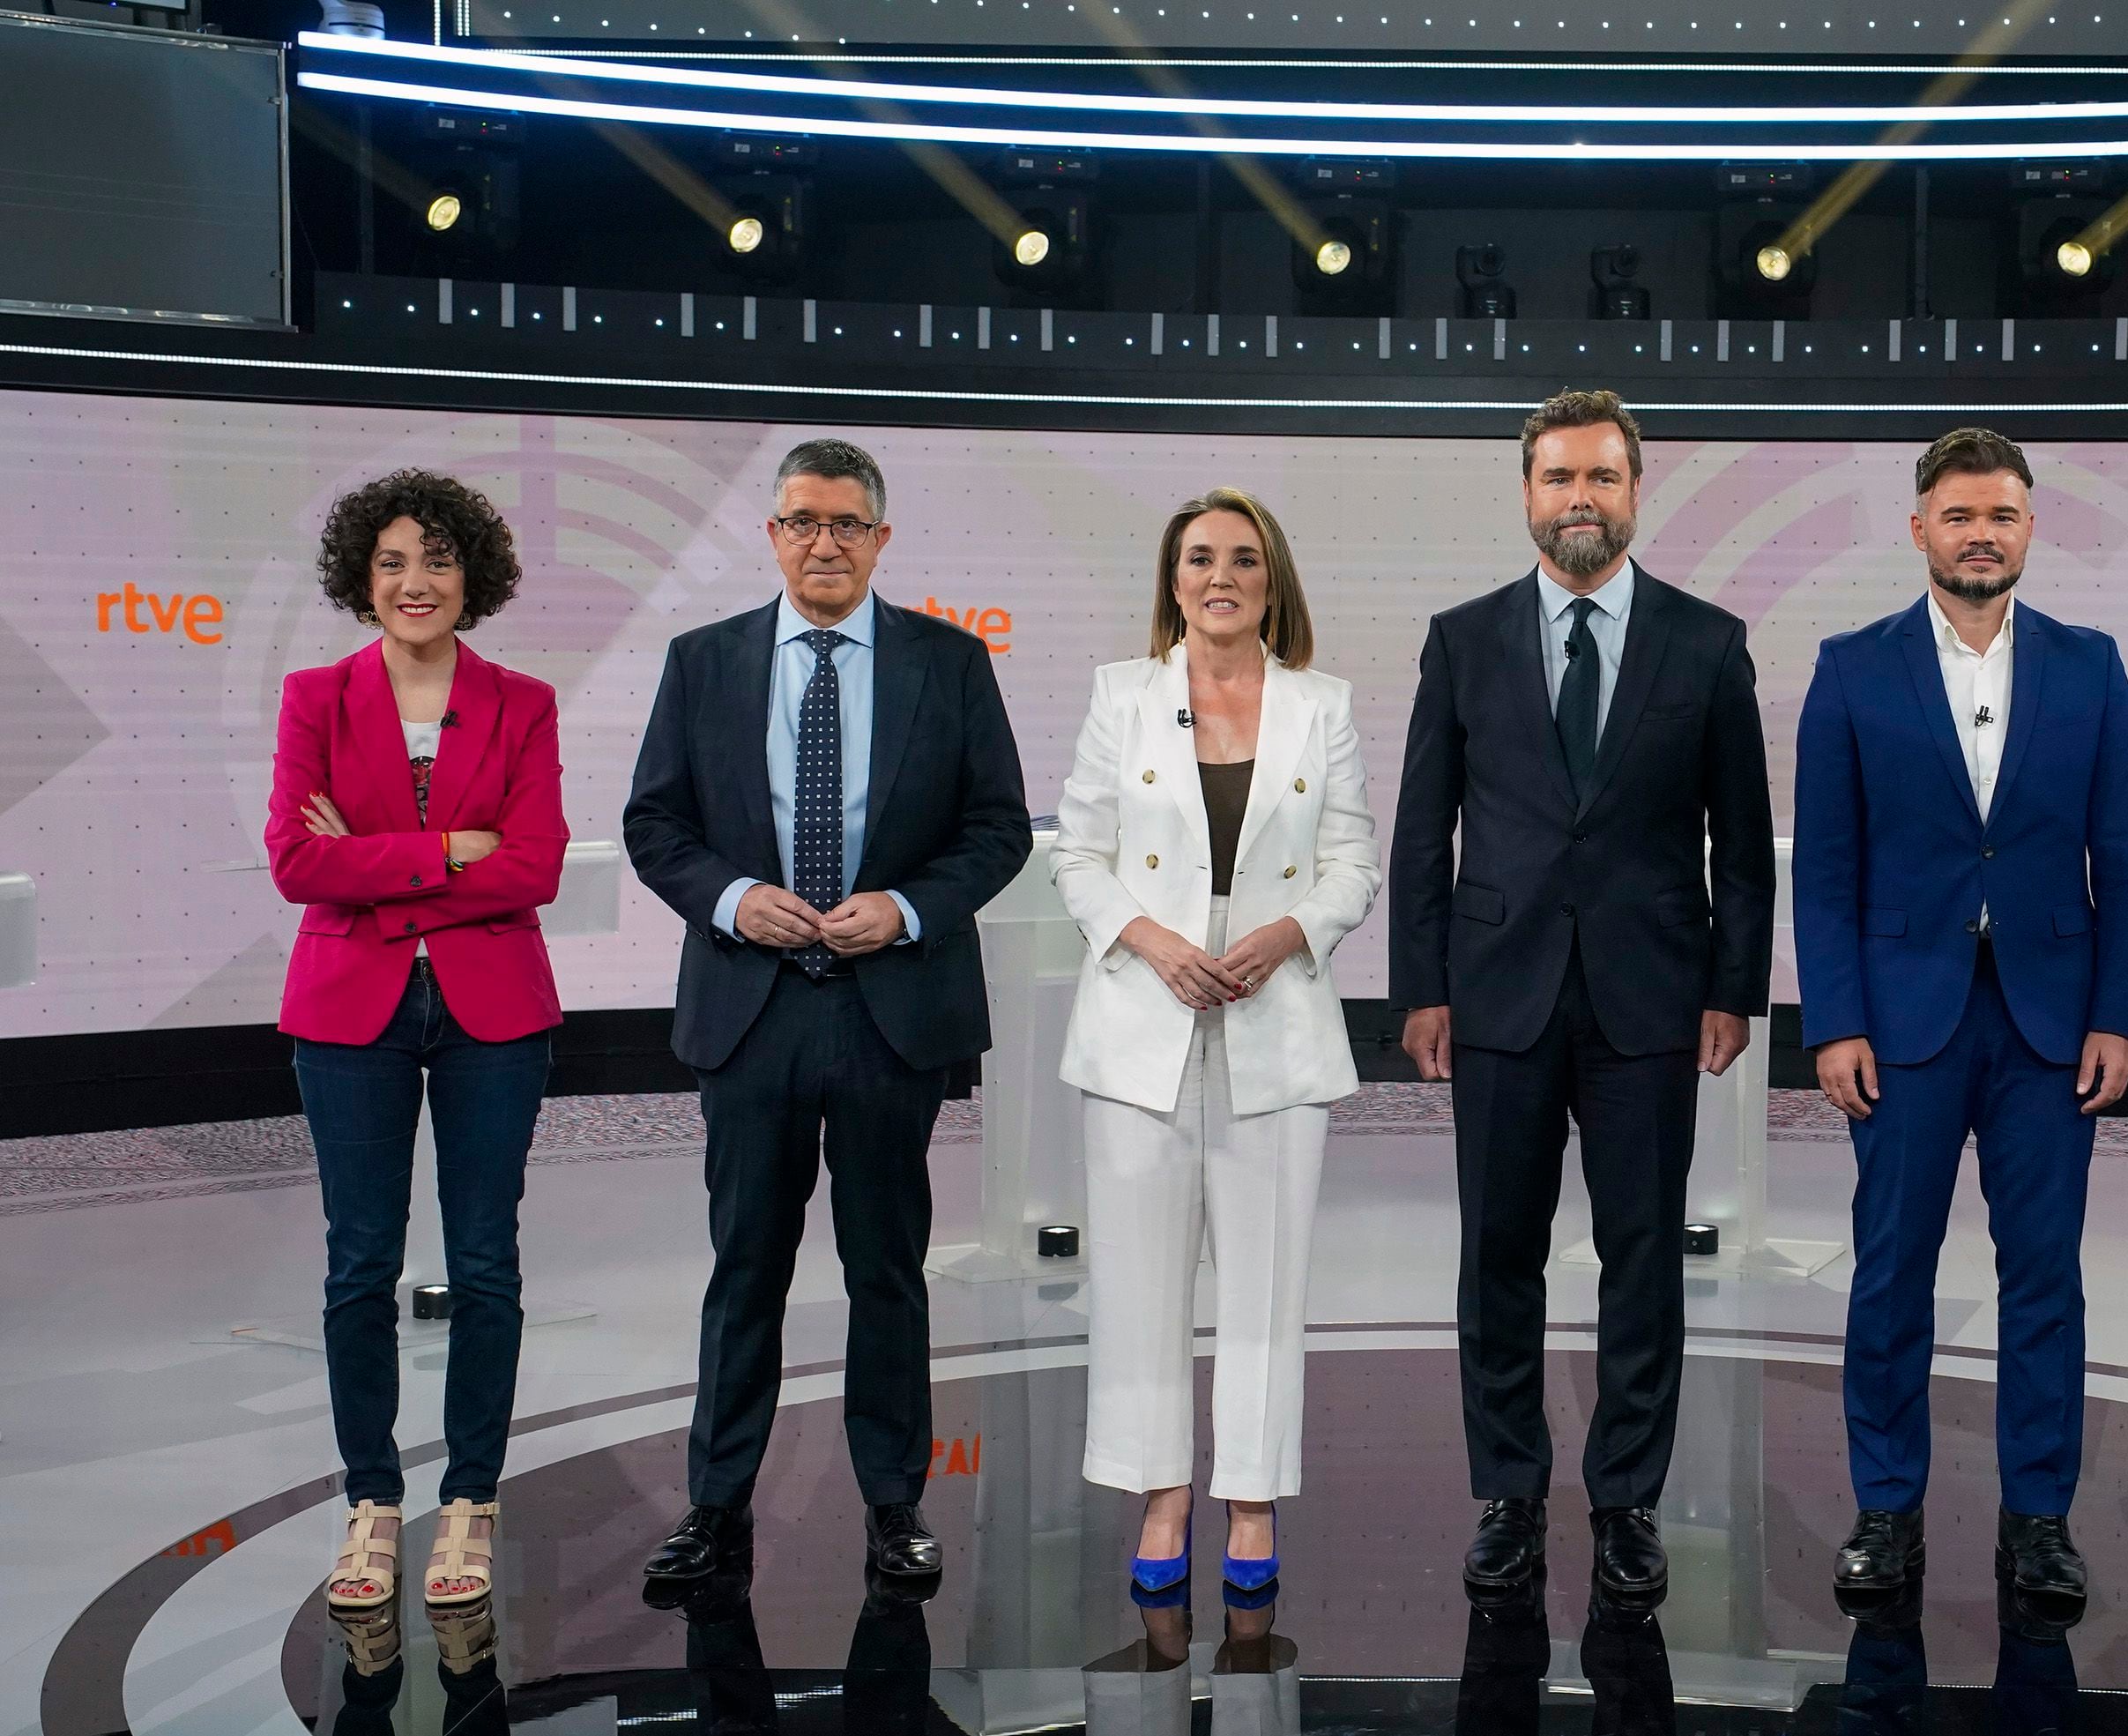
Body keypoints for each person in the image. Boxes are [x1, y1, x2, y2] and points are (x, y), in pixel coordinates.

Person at [623, 437, 1034, 1589]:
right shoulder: (701, 662)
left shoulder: (949, 664)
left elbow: (997, 829)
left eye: (847, 523)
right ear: (770, 535)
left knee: (886, 1266)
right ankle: (715, 1505)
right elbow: (658, 825)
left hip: (888, 1012)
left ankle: (894, 1502)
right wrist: (731, 896)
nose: (824, 542)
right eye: (802, 520)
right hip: (750, 1013)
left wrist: (904, 908)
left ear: (882, 539)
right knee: (744, 1265)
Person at [1390, 389, 1775, 1611]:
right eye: (1558, 479)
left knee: (1643, 1254)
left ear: (1634, 490)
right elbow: (1421, 829)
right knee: (1498, 1253)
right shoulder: (1461, 638)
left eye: (1602, 478)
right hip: (1496, 997)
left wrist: (1736, 990)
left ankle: (1627, 1500)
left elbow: (1744, 844)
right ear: (1526, 493)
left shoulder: (1708, 642)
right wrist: (1420, 986)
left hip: (1652, 1002)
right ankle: (1507, 1493)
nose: (1579, 500)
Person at [1793, 428, 2128, 1606]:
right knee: (1891, 1269)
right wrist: (1834, 1020)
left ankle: (2038, 1518)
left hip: (2054, 1029)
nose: (1981, 533)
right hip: (1901, 1025)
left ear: (2030, 528)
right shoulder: (1851, 668)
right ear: (1920, 530)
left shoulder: (2093, 666)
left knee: (2043, 1274)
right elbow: (1828, 867)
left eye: (2001, 513)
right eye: (1959, 515)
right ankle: (1885, 1508)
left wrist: (2120, 1016)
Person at [1052, 488, 1381, 1597]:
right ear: (1173, 579)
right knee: (1140, 1280)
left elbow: (1351, 864)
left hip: (1273, 1019)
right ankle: (1160, 1491)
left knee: (1264, 1278)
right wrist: (1149, 940)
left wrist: (1286, 933)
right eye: (1198, 558)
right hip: (1142, 1021)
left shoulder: (1322, 705)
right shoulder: (1121, 698)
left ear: (1272, 578)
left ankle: (1249, 1493)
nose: (1219, 575)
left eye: (1243, 558)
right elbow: (1078, 855)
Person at [268, 470, 567, 1615]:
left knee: (485, 1258)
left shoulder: (522, 700)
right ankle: (375, 1501)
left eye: (435, 560)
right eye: (392, 561)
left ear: (471, 575)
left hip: (496, 1010)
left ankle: (473, 1502)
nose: (414, 582)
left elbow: (534, 863)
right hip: (351, 1010)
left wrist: (380, 864)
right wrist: (447, 854)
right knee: (360, 1263)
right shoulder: (314, 697)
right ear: (362, 574)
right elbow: (297, 863)